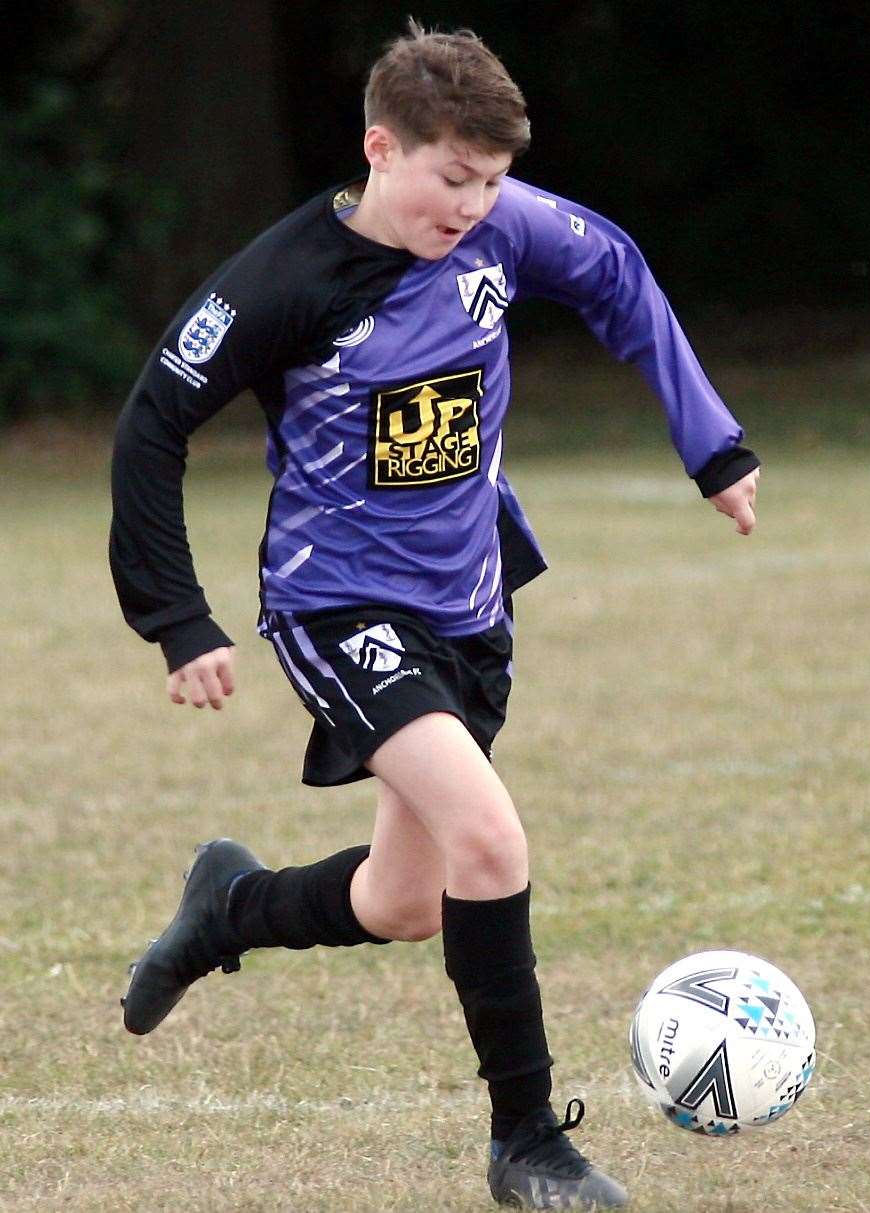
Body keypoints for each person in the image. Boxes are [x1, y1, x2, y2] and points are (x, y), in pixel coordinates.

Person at [110, 21, 760, 1209]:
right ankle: (528, 1146)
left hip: (470, 603)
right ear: (381, 150)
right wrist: (178, 618)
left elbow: (614, 269)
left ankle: (226, 907)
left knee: (404, 902)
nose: (475, 207)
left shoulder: (501, 227)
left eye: (494, 183)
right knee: (491, 843)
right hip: (336, 602)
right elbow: (151, 423)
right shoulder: (285, 281)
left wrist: (710, 442)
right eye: (454, 180)